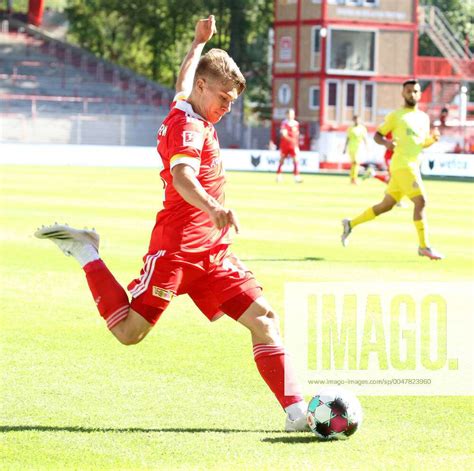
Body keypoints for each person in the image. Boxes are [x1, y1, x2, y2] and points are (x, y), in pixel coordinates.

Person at [34, 15, 309, 432]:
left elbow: (184, 78)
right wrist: (212, 207)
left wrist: (198, 43)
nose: (227, 107)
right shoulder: (187, 127)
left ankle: (297, 413)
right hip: (177, 251)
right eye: (223, 97)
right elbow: (183, 178)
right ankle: (86, 249)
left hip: (214, 254)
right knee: (129, 332)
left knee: (265, 319)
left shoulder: (186, 102)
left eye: (233, 101)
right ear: (204, 88)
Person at [341, 79, 444, 260]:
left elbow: (421, 144)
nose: (412, 94)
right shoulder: (396, 116)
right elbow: (377, 136)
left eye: (415, 91)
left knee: (385, 206)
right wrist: (387, 143)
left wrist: (432, 140)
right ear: (403, 93)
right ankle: (424, 246)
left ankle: (350, 224)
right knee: (421, 201)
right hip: (402, 166)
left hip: (412, 166)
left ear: (419, 94)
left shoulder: (424, 118)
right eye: (409, 91)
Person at [276, 108, 302, 183]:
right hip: (285, 145)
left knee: (296, 160)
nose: (291, 115)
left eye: (292, 114)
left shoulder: (296, 123)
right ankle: (278, 176)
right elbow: (284, 134)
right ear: (287, 115)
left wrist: (296, 144)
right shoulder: (284, 123)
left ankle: (296, 177)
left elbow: (297, 134)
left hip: (293, 145)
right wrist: (291, 140)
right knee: (282, 160)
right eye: (290, 114)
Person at [343, 115, 368, 185]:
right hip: (351, 147)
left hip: (359, 148)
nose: (357, 121)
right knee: (354, 163)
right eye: (355, 120)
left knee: (356, 163)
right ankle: (353, 179)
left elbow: (365, 138)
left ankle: (353, 178)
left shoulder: (363, 128)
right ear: (353, 120)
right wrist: (344, 148)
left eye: (358, 120)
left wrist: (367, 147)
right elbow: (347, 138)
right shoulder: (350, 128)